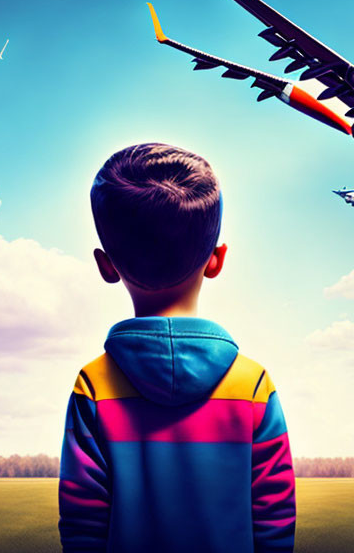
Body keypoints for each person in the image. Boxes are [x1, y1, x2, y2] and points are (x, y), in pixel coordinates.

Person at [58, 143, 296, 552]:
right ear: (216, 260)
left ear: (106, 265)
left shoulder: (93, 386)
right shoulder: (253, 385)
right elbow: (274, 514)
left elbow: (83, 520)